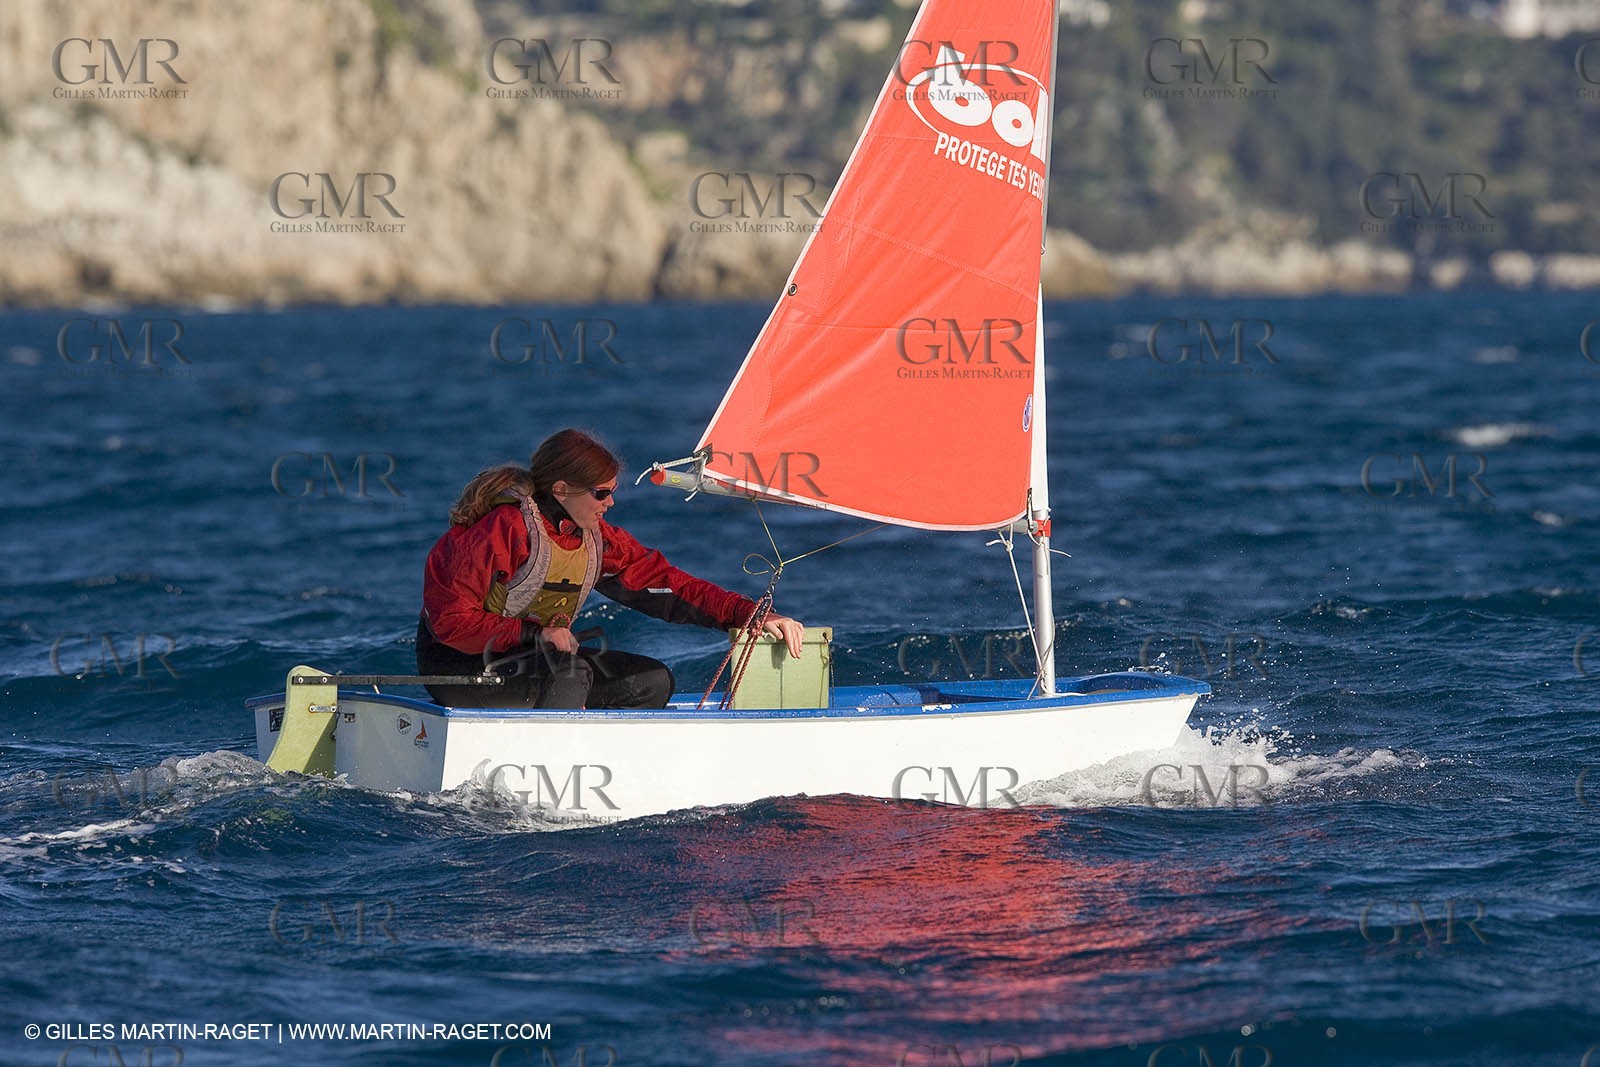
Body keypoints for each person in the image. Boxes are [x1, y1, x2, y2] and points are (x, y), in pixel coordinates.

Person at [417, 428, 804, 708]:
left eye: (613, 492)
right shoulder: (500, 532)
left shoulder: (597, 540)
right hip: (460, 669)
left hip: (536, 666)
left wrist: (747, 614)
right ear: (562, 490)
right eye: (601, 494)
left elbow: (666, 585)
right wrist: (535, 635)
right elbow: (450, 622)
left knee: (650, 682)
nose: (610, 503)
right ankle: (548, 784)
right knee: (570, 674)